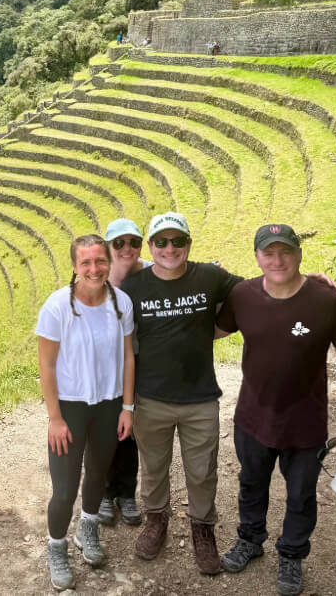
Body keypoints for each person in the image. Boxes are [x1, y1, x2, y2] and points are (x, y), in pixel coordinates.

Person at [215, 224, 336, 596]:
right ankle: (250, 539)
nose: (277, 260)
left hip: (305, 421)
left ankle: (292, 555)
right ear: (257, 257)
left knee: (301, 493)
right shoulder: (242, 295)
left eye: (285, 251)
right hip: (252, 415)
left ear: (299, 253)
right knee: (251, 483)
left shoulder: (326, 300)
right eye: (269, 252)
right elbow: (211, 331)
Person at [120, 212, 241, 575]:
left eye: (177, 241)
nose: (169, 248)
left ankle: (202, 529)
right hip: (151, 397)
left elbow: (256, 290)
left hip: (200, 397)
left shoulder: (210, 276)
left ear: (188, 244)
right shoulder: (134, 286)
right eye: (161, 241)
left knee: (202, 471)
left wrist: (309, 282)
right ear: (152, 246)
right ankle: (156, 520)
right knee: (153, 467)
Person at [36, 234, 136, 591]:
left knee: (97, 474)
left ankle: (88, 529)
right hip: (71, 407)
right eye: (86, 263)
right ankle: (57, 546)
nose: (94, 269)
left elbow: (127, 357)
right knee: (64, 489)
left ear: (108, 262)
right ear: (75, 267)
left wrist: (127, 407)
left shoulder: (121, 302)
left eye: (100, 261)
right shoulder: (57, 307)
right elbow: (46, 366)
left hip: (109, 405)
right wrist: (55, 418)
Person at [97, 219, 151, 528]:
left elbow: (181, 267)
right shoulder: (97, 278)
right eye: (119, 243)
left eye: (133, 242)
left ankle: (127, 493)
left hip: (138, 362)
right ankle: (105, 493)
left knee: (129, 431)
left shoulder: (150, 271)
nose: (126, 249)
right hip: (104, 365)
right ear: (108, 248)